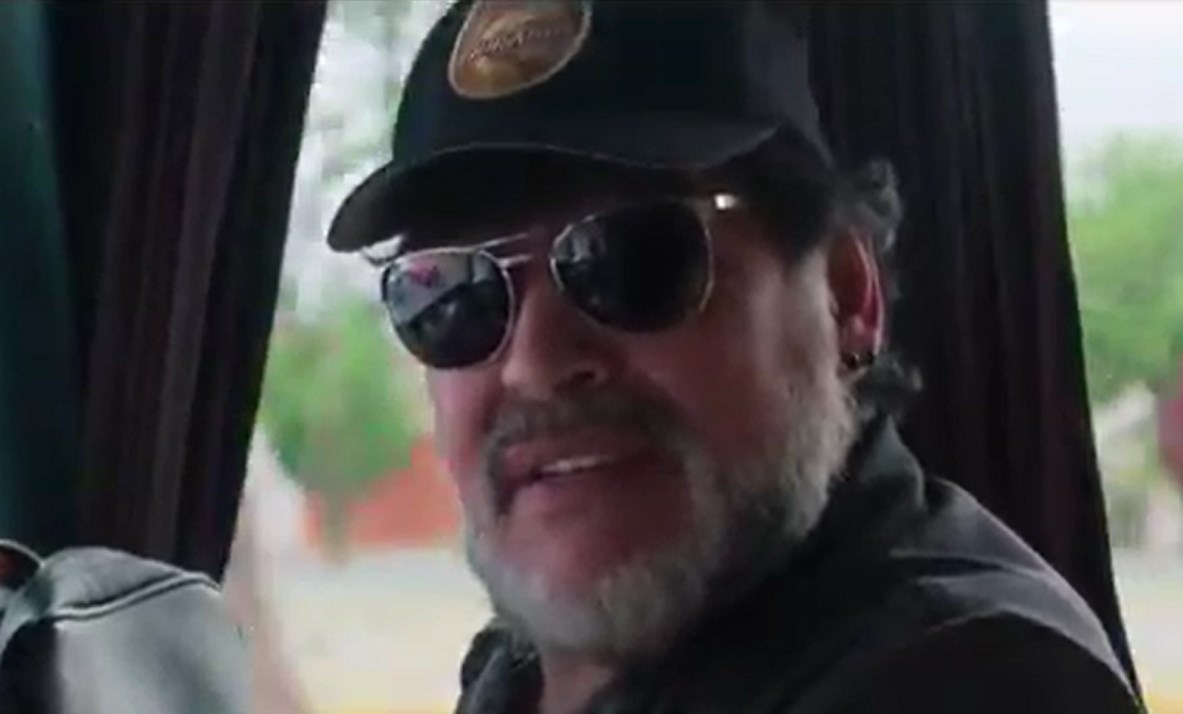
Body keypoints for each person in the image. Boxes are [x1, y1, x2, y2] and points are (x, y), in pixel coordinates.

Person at [326, 1, 1143, 712]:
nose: (533, 364)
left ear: (845, 296)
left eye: (635, 258)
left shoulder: (968, 680)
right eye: (452, 293)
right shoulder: (533, 667)